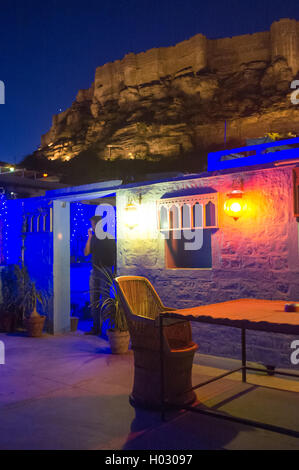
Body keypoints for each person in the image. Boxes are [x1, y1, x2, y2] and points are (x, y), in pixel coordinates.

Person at [84, 215, 116, 335]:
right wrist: (89, 238)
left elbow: (115, 254)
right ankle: (96, 327)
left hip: (105, 270)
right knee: (94, 299)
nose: (92, 226)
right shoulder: (93, 238)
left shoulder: (109, 237)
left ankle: (109, 327)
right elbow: (86, 252)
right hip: (95, 270)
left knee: (105, 299)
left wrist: (114, 271)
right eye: (92, 224)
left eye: (94, 224)